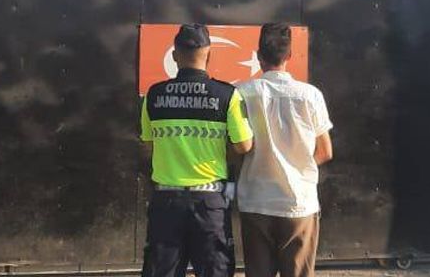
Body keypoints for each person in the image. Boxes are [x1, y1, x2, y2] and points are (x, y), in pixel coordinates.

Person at [141, 23, 254, 277]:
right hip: (209, 203)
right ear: (209, 54)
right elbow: (244, 145)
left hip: (166, 202)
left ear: (174, 56)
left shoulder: (153, 95)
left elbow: (149, 145)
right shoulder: (228, 95)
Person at [237, 23, 334, 277]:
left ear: (259, 56)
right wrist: (296, 168)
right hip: (298, 203)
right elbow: (325, 151)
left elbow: (236, 146)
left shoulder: (241, 93)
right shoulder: (310, 95)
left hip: (256, 201)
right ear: (290, 55)